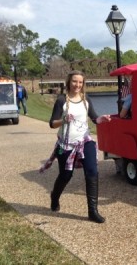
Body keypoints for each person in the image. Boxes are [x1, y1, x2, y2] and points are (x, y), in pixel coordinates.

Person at [39, 70, 111, 224]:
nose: (77, 85)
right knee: (66, 175)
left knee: (92, 171)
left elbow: (94, 118)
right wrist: (63, 120)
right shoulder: (61, 100)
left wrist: (101, 119)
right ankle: (55, 196)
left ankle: (93, 211)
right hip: (66, 144)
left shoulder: (86, 100)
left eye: (80, 82)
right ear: (69, 82)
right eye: (74, 81)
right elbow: (52, 123)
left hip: (84, 141)